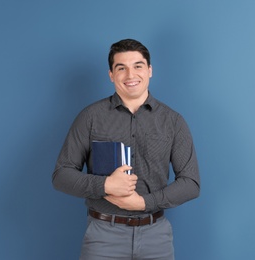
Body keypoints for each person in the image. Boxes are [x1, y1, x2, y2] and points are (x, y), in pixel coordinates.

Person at [52, 39, 200, 260]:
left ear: (150, 70)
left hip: (156, 237)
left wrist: (144, 203)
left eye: (138, 66)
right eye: (121, 68)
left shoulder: (173, 121)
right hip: (103, 236)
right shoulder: (90, 117)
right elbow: (61, 175)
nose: (130, 75)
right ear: (111, 74)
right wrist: (105, 185)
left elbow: (191, 183)